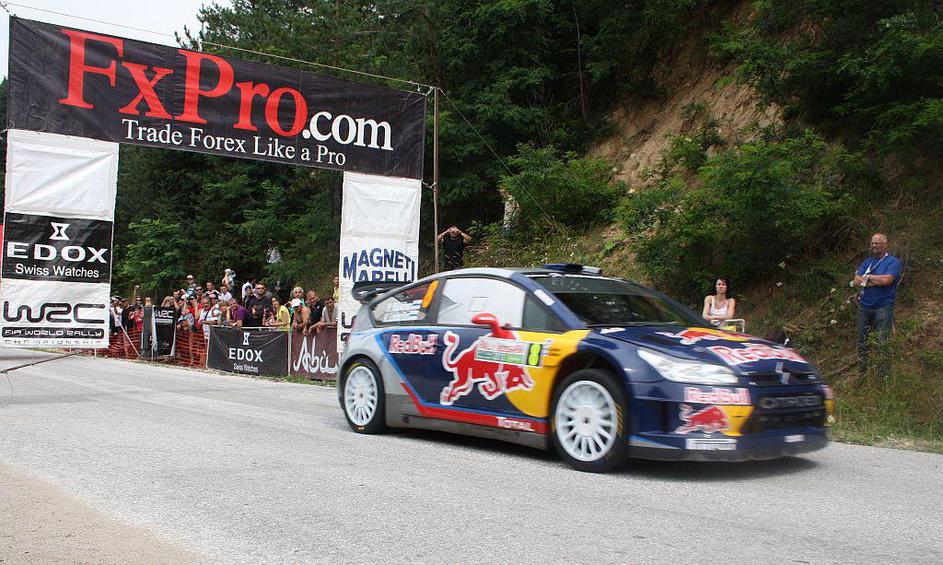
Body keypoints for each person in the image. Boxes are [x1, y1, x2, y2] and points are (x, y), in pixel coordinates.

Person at [852, 233, 902, 374]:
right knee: (862, 342)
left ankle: (883, 377)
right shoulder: (867, 262)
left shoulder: (892, 262)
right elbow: (856, 281)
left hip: (883, 307)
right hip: (864, 307)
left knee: (882, 342)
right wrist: (875, 281)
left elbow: (887, 280)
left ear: (885, 245)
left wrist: (867, 277)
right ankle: (863, 375)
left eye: (877, 243)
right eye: (873, 243)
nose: (874, 245)